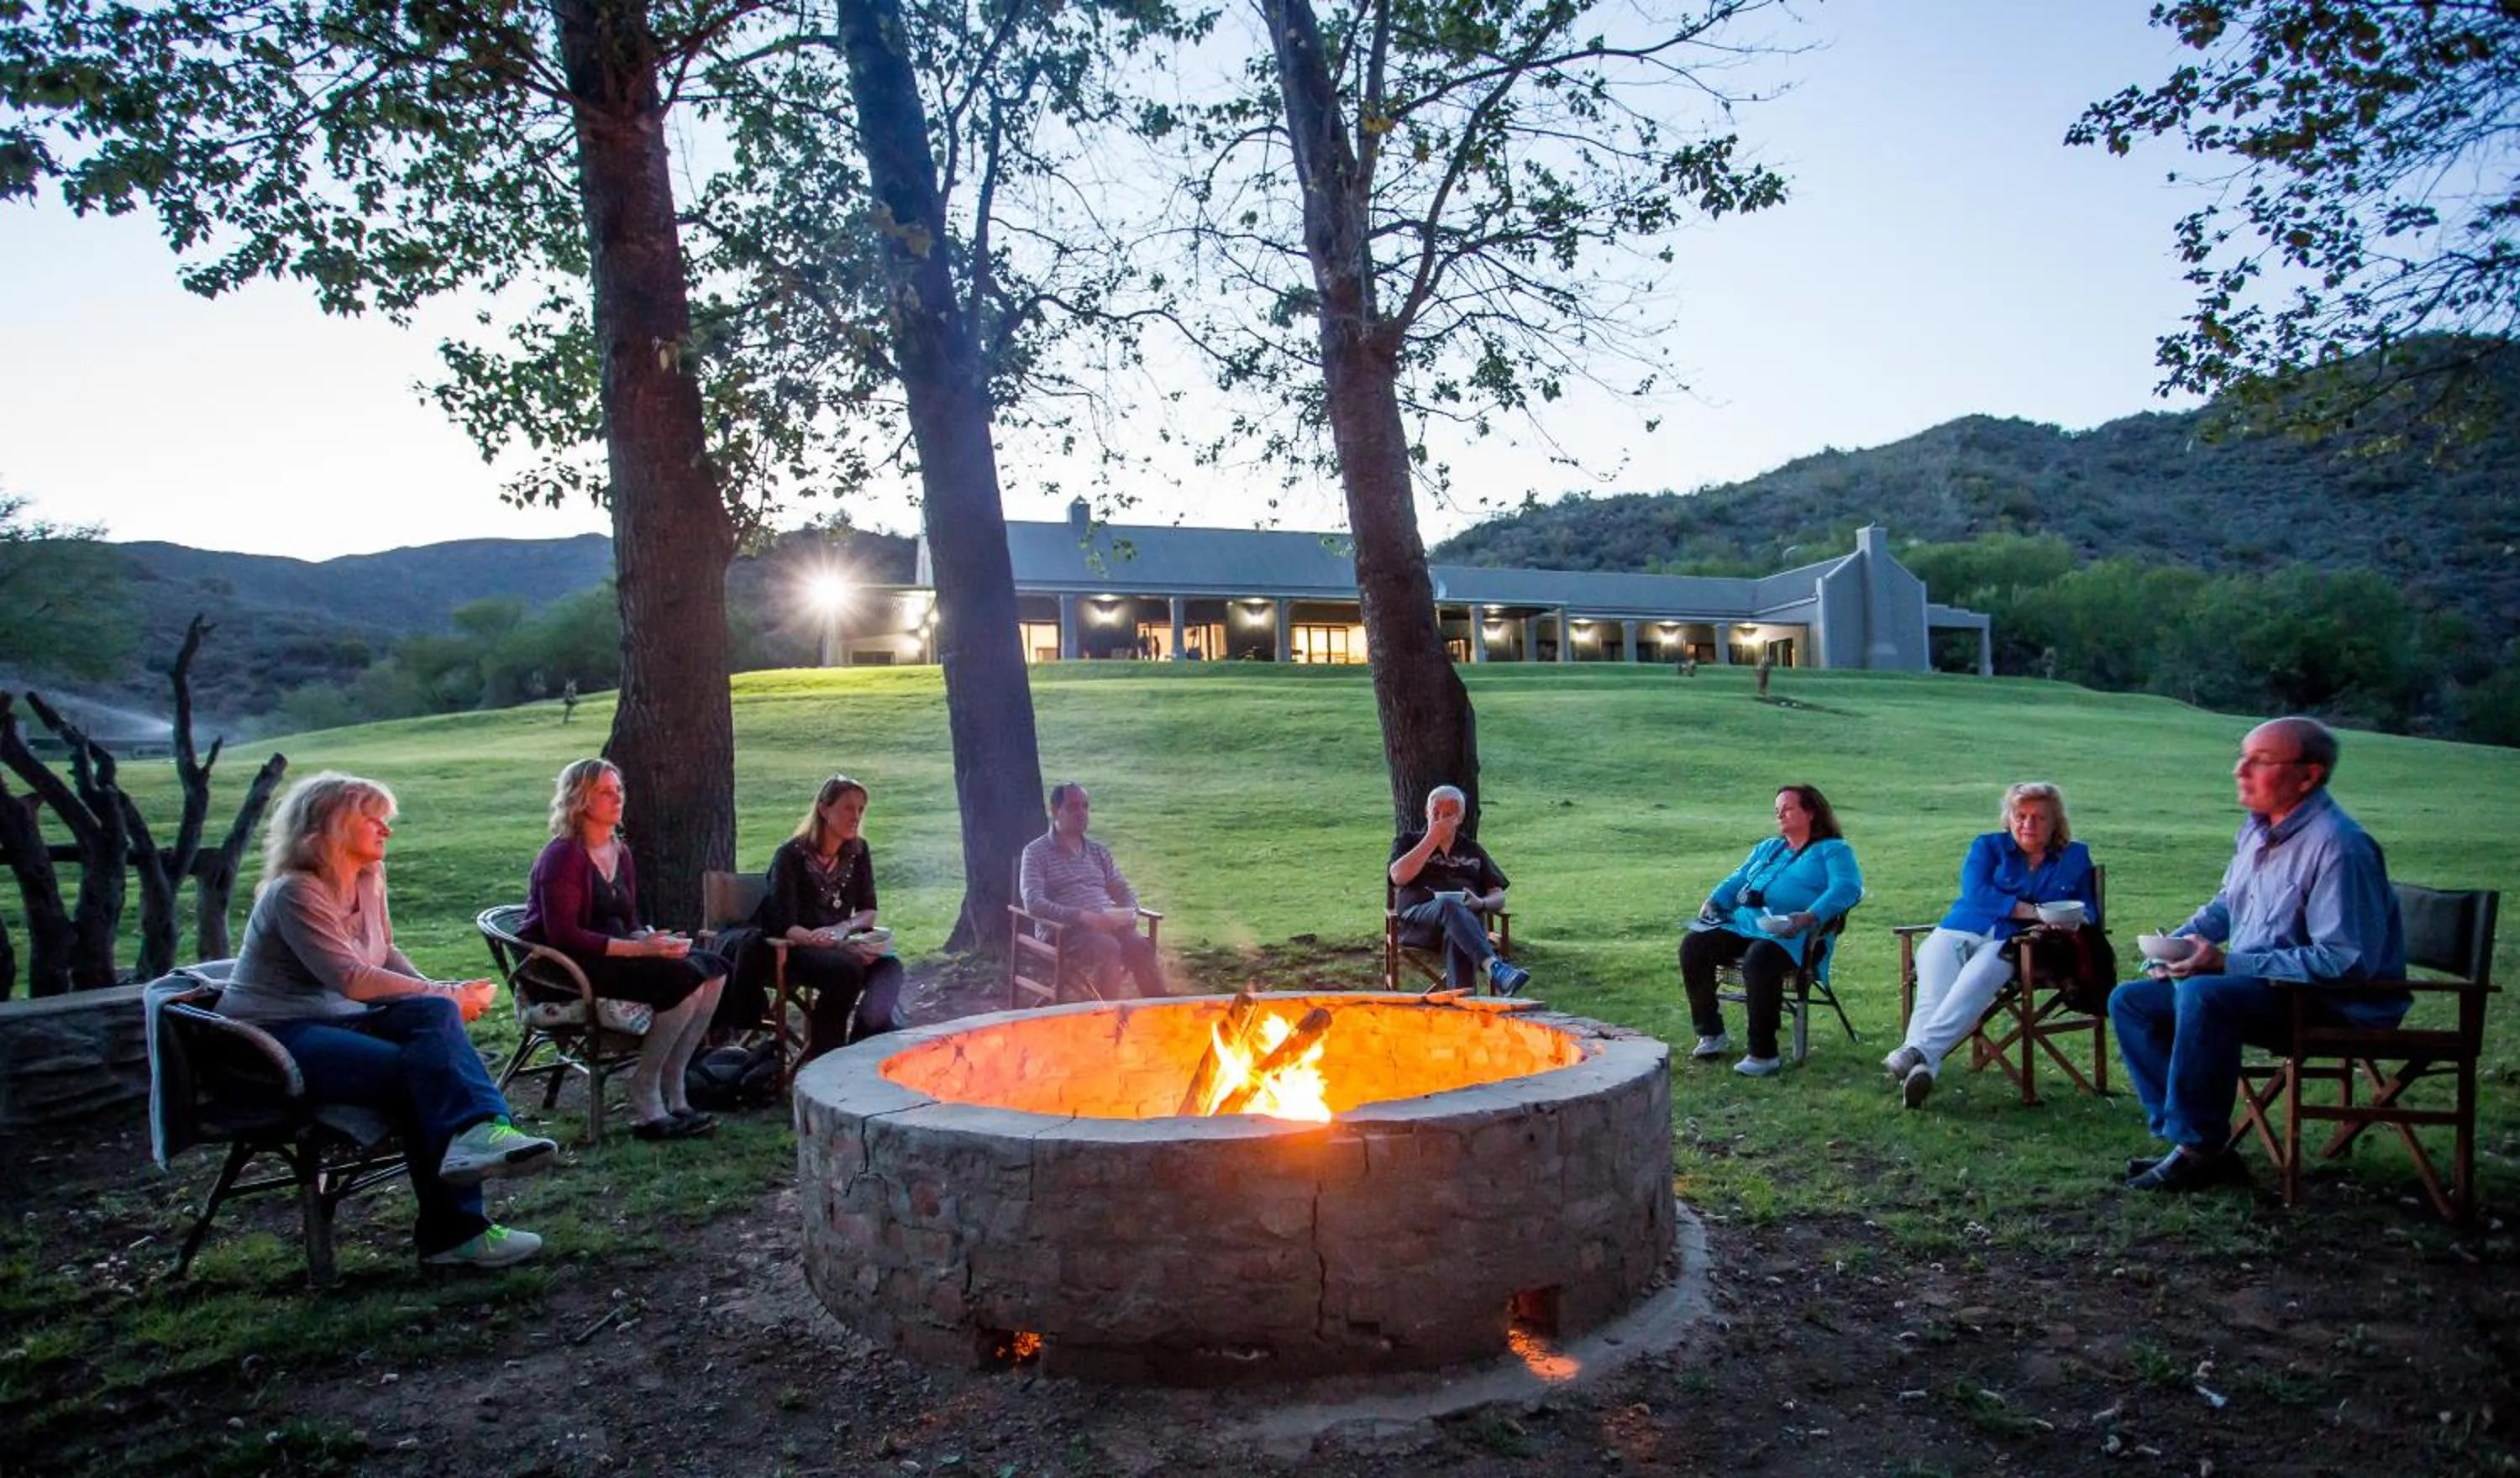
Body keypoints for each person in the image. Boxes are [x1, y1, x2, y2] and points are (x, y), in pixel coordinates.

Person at [217, 772, 557, 1270]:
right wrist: (444, 993)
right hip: (274, 1035)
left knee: (434, 1017)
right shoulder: (296, 893)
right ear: (330, 825)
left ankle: (481, 1134)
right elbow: (351, 978)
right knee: (424, 1073)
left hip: (342, 1020)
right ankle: (456, 1233)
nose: (386, 830)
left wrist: (442, 992)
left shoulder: (367, 877)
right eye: (372, 819)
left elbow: (385, 953)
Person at [2110, 716, 2405, 1192]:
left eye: (2260, 761)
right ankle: (2197, 1144)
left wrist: (2227, 963)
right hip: (2264, 991)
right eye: (2241, 757)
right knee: (2131, 1001)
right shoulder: (2257, 830)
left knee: (2206, 995)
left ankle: (2198, 1151)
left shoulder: (2340, 846)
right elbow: (2228, 906)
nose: (2240, 770)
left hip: (2334, 1004)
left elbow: (2345, 961)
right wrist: (2175, 945)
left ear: (2308, 776)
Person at [522, 758, 729, 1141]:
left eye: (619, 790)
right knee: (681, 980)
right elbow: (563, 934)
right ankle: (645, 1088)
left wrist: (651, 940)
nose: (617, 798)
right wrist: (638, 950)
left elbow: (628, 918)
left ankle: (675, 1079)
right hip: (569, 967)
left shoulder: (620, 851)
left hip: (613, 953)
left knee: (713, 968)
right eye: (605, 791)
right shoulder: (563, 856)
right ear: (580, 799)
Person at [1883, 782, 2100, 1108]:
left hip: (2012, 942)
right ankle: (1922, 1067)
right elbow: (1976, 893)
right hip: (1957, 930)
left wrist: (2070, 920)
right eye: (2021, 815)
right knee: (1933, 997)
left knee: (1973, 985)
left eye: (2039, 817)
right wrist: (2034, 912)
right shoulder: (1987, 846)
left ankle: (1915, 1055)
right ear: (2009, 818)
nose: (2028, 824)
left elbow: (2089, 910)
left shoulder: (2074, 856)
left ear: (2055, 822)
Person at [1681, 784, 1864, 1077]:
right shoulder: (1769, 848)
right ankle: (1711, 1033)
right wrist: (1714, 900)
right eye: (1777, 810)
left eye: (1788, 809)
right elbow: (1738, 878)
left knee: (1760, 958)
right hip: (1746, 926)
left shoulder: (1833, 850)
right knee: (1694, 945)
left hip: (1796, 935)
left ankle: (1763, 1054)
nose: (1780, 815)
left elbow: (1848, 888)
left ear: (1811, 812)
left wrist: (1809, 916)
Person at [752, 773, 906, 1065]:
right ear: (824, 809)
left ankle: (862, 1046)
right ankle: (826, 1056)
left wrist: (844, 931)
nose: (856, 817)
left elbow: (868, 910)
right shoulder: (791, 855)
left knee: (889, 967)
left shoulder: (857, 851)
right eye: (848, 808)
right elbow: (784, 924)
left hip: (839, 941)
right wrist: (833, 943)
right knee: (845, 971)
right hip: (797, 947)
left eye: (860, 809)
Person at [1018, 782, 1164, 998]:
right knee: (1108, 948)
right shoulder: (1035, 853)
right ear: (1056, 811)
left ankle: (1162, 1009)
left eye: (1085, 806)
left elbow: (1122, 889)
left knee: (1139, 946)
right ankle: (1104, 1015)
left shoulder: (1098, 852)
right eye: (1073, 807)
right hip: (1064, 933)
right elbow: (1033, 902)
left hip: (1106, 925)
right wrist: (1082, 917)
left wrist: (1130, 912)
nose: (1082, 813)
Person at [1389, 785, 1530, 996]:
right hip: (1419, 924)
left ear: (1460, 818)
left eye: (1447, 814)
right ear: (1426, 812)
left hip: (1464, 927)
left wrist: (1481, 903)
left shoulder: (1472, 851)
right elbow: (1398, 877)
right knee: (1449, 905)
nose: (1440, 819)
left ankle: (1463, 1006)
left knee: (1458, 931)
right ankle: (1495, 967)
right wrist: (1432, 838)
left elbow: (1498, 896)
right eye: (1435, 812)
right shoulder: (1408, 842)